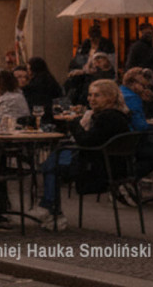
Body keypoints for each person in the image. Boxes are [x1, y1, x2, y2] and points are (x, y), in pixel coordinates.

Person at [28, 79, 132, 230]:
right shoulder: (116, 115)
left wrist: (75, 122)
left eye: (97, 96)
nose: (91, 99)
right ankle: (50, 209)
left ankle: (51, 209)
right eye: (90, 95)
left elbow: (86, 141)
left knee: (52, 164)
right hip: (106, 162)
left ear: (110, 98)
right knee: (54, 160)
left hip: (98, 168)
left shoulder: (107, 117)